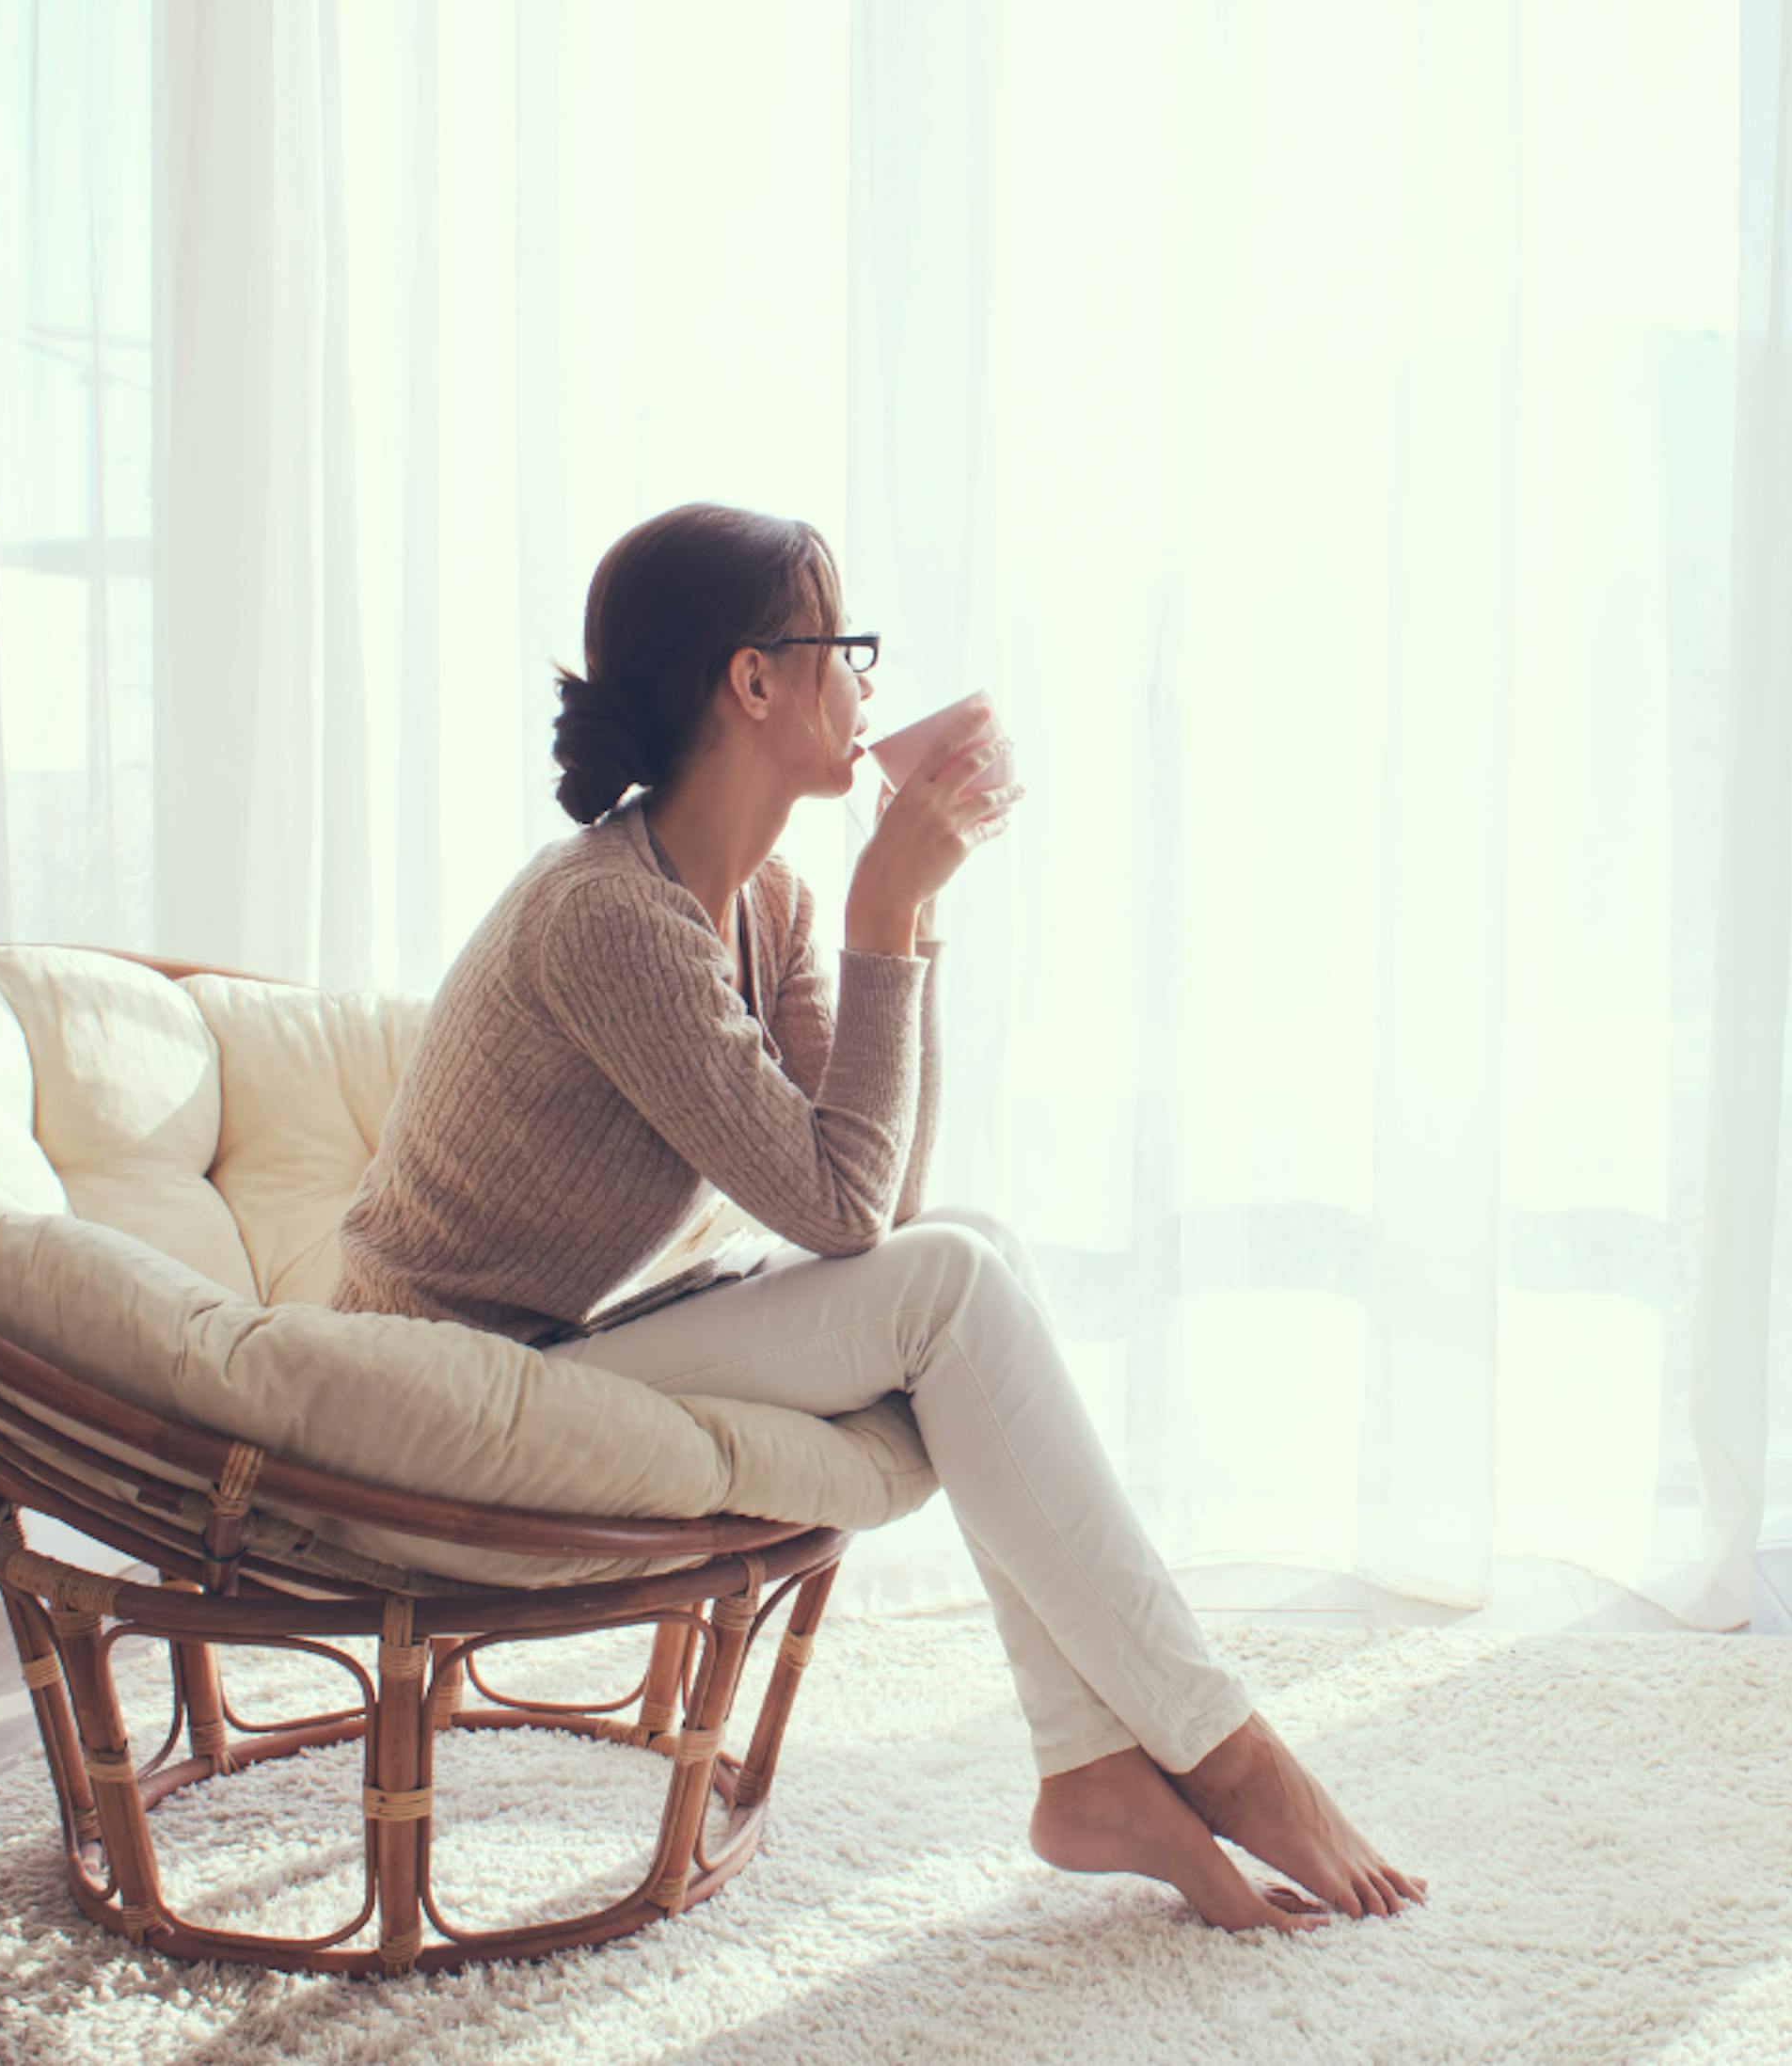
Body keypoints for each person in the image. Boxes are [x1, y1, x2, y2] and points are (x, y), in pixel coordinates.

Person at [333, 500, 1425, 1934]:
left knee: (974, 1249)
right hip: (449, 1389)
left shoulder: (757, 899)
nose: (869, 683)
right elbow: (854, 1212)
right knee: (953, 1283)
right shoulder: (610, 915)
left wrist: (901, 923)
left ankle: (1093, 1763)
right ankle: (1224, 1749)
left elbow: (884, 1199)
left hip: (556, 1346)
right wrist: (884, 901)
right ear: (755, 679)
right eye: (845, 644)